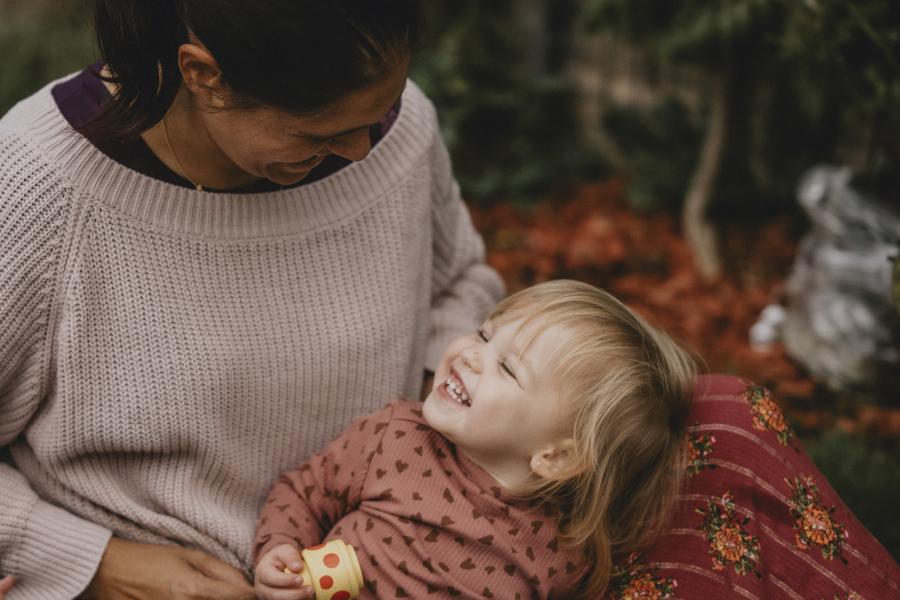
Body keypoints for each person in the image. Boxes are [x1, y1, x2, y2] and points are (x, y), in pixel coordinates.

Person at [0, 1, 504, 598]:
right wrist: (94, 565)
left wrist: (438, 415)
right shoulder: (36, 186)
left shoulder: (398, 127)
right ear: (203, 74)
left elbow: (459, 282)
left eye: (380, 112)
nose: (365, 151)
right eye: (321, 133)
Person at [253, 280, 697, 599]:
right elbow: (303, 491)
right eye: (485, 332)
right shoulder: (395, 437)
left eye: (507, 368)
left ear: (557, 457)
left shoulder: (562, 550)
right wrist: (279, 552)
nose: (471, 353)